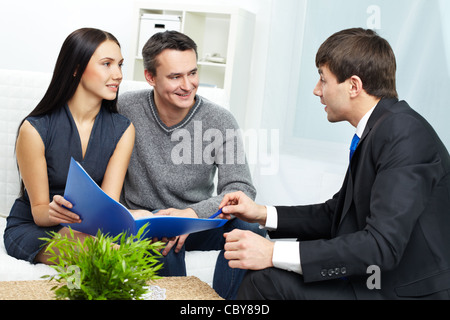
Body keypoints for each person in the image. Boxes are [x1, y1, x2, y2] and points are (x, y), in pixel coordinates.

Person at [219, 28, 450, 300]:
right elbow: (337, 214)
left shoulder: (403, 132)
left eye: (322, 79)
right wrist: (261, 213)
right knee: (263, 271)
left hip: (397, 291)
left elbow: (381, 247)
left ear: (353, 85)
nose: (317, 90)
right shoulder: (382, 128)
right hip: (373, 280)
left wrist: (271, 253)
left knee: (266, 281)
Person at [118, 30, 265, 300]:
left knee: (251, 230)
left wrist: (192, 215)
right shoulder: (125, 107)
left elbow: (241, 188)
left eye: (192, 73)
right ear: (150, 77)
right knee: (164, 242)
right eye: (175, 77)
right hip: (147, 221)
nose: (188, 85)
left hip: (197, 219)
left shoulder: (219, 120)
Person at [3, 28, 135, 265]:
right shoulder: (34, 129)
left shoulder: (123, 130)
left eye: (120, 65)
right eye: (106, 64)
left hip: (92, 230)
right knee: (100, 253)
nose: (117, 74)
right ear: (76, 68)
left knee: (110, 248)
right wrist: (54, 212)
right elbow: (39, 213)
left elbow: (107, 206)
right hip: (35, 227)